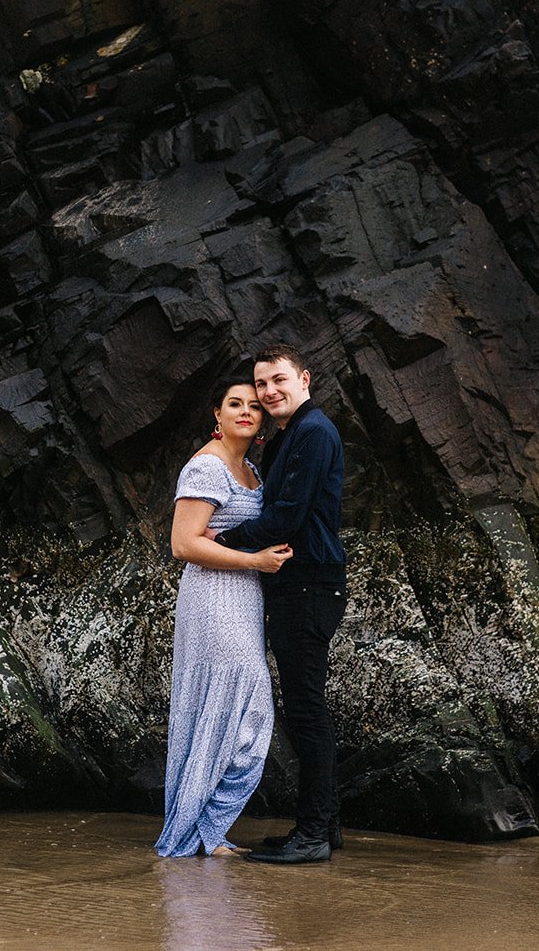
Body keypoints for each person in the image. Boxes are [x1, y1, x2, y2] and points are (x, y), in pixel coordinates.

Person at [213, 344, 347, 864]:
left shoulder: (313, 432)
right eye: (261, 384)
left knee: (307, 710)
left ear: (304, 378)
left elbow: (286, 516)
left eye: (278, 381)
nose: (269, 392)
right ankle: (325, 826)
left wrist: (220, 540)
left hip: (311, 585)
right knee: (307, 708)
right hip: (302, 586)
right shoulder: (290, 436)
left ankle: (313, 834)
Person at [155, 380, 293, 858]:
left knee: (230, 712)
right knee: (243, 710)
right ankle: (201, 832)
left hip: (245, 599)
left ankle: (204, 830)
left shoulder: (250, 468)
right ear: (217, 413)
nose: (246, 412)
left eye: (254, 406)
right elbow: (183, 544)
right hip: (214, 598)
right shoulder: (208, 466)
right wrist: (255, 561)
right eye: (235, 404)